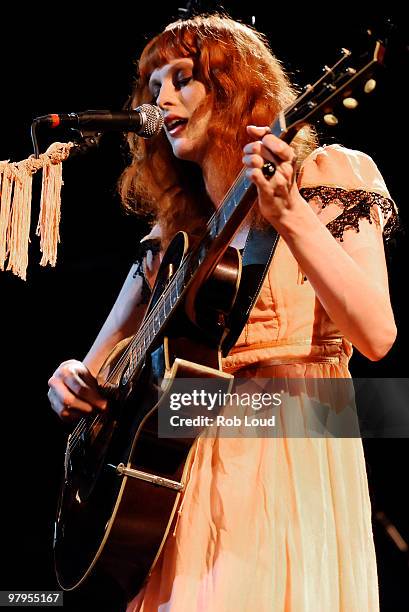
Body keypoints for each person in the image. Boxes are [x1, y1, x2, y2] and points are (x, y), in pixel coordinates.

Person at [47, 14, 398, 611]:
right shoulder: (173, 234)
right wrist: (71, 385)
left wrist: (289, 214)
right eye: (152, 86)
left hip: (290, 443)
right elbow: (100, 365)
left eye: (181, 78)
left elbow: (376, 334)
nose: (161, 99)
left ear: (234, 86)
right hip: (173, 480)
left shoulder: (328, 176)